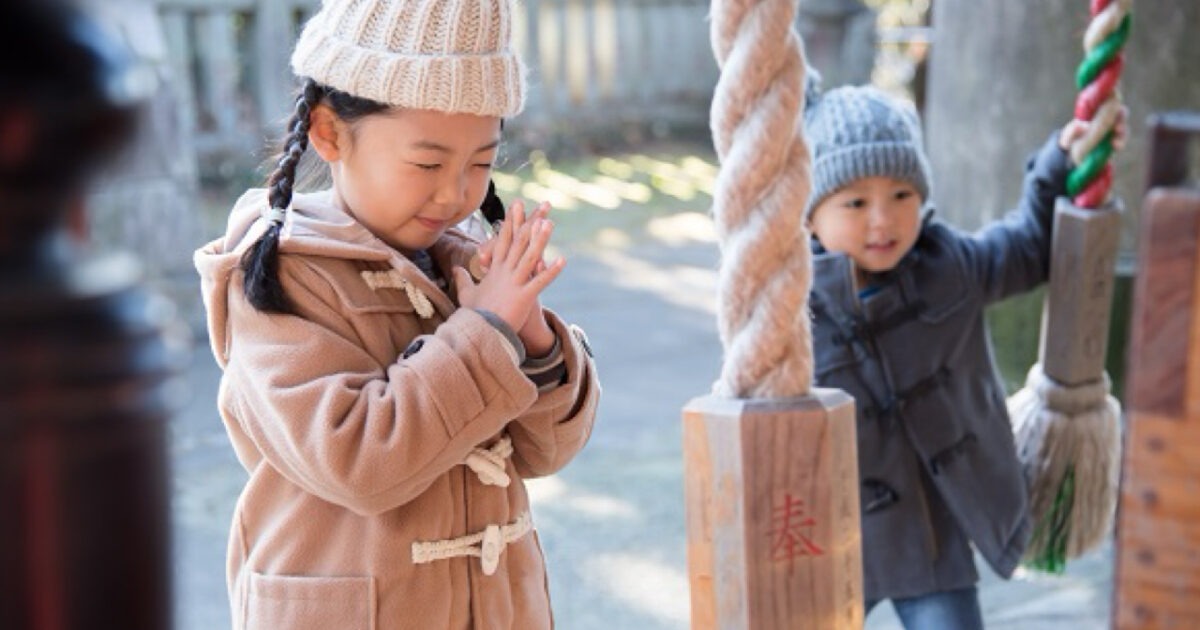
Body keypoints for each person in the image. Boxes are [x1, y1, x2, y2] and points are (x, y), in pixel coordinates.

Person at [193, 0, 600, 627]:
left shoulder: (464, 265)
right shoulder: (278, 275)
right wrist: (485, 333)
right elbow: (356, 463)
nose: (455, 192)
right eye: (428, 163)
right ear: (329, 133)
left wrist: (534, 339)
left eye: (482, 164)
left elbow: (545, 454)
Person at [802, 81, 1124, 628]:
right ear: (809, 216)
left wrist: (1061, 163)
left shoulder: (948, 266)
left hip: (931, 538)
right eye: (855, 202)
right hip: (831, 531)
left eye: (901, 196)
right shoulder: (791, 304)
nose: (882, 220)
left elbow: (1025, 247)